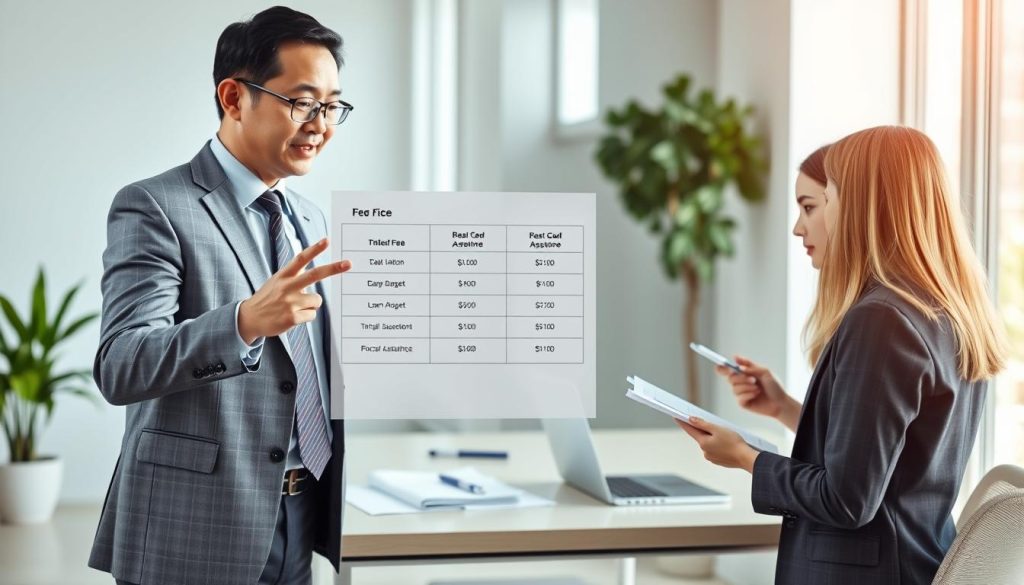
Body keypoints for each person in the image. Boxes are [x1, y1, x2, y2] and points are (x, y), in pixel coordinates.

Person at [89, 7, 353, 585]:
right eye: (302, 102)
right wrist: (243, 322)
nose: (320, 124)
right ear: (234, 98)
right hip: (193, 525)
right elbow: (121, 364)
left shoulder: (308, 217)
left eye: (332, 106)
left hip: (301, 513)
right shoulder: (155, 205)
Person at [677, 126, 1007, 584]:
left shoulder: (882, 320)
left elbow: (847, 500)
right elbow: (886, 458)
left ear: (862, 205)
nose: (801, 226)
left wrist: (746, 457)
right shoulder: (946, 311)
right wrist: (784, 408)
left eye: (824, 199)